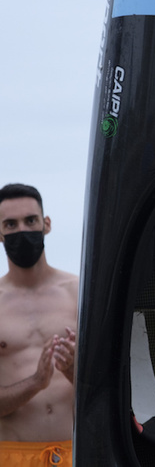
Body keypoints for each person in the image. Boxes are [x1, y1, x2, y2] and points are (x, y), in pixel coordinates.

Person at [0, 184, 78, 466]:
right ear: (0, 232)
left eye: (30, 220)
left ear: (46, 224)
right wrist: (36, 382)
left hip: (76, 452)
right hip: (14, 456)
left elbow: (106, 390)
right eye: (11, 223)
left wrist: (72, 371)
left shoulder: (79, 292)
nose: (22, 230)